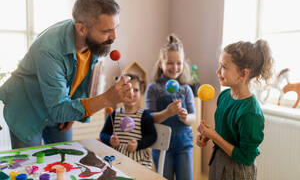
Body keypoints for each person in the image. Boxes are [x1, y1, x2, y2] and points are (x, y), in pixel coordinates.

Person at [0, 0, 134, 149]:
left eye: (115, 28)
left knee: (65, 160)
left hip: (58, 107)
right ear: (81, 29)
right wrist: (107, 98)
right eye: (106, 31)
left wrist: (74, 109)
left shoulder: (94, 42)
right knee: (31, 168)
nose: (114, 37)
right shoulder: (49, 49)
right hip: (27, 111)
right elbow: (58, 109)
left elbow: (80, 78)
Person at [197, 40, 273, 180]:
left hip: (237, 171)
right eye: (219, 65)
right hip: (218, 162)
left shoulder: (250, 113)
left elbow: (246, 157)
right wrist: (208, 135)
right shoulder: (224, 96)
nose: (218, 71)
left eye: (224, 67)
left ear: (243, 74)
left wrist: (214, 136)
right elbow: (227, 133)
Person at [144, 34, 196, 180]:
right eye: (170, 63)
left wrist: (186, 117)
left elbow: (193, 117)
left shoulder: (186, 89)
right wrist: (167, 113)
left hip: (184, 143)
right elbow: (149, 119)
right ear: (161, 63)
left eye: (179, 63)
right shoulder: (153, 88)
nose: (175, 67)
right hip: (161, 144)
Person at [100, 73, 157, 169]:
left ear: (141, 93)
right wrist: (110, 139)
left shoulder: (144, 115)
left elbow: (152, 136)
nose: (131, 93)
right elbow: (103, 134)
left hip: (138, 157)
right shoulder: (114, 114)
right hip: (117, 156)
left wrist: (138, 144)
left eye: (136, 90)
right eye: (127, 90)